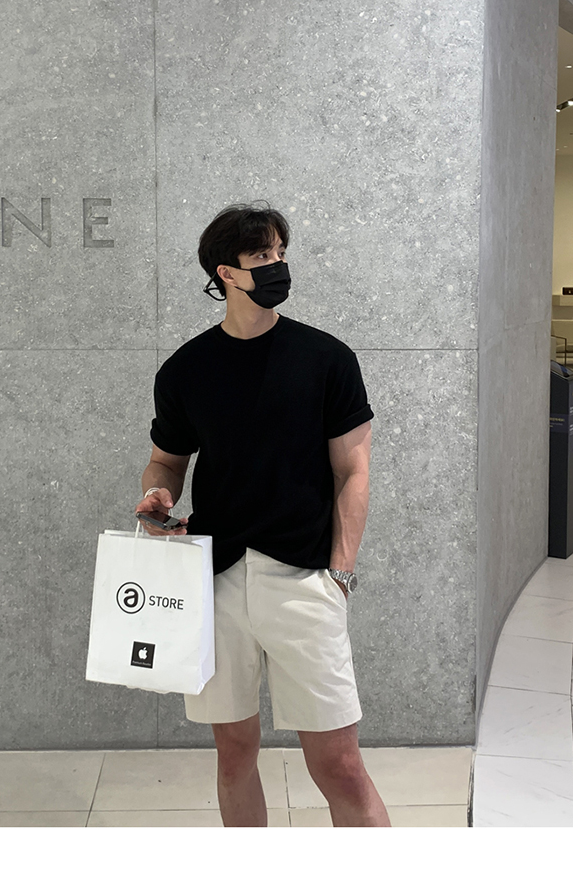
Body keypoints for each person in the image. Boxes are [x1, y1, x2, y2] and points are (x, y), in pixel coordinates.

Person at [134, 202, 390, 827]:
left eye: (280, 253)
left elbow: (353, 471)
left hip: (305, 576)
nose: (277, 265)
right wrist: (158, 497)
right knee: (233, 755)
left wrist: (340, 573)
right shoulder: (185, 370)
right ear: (226, 272)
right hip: (217, 579)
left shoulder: (326, 358)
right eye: (261, 256)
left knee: (340, 764)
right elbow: (166, 462)